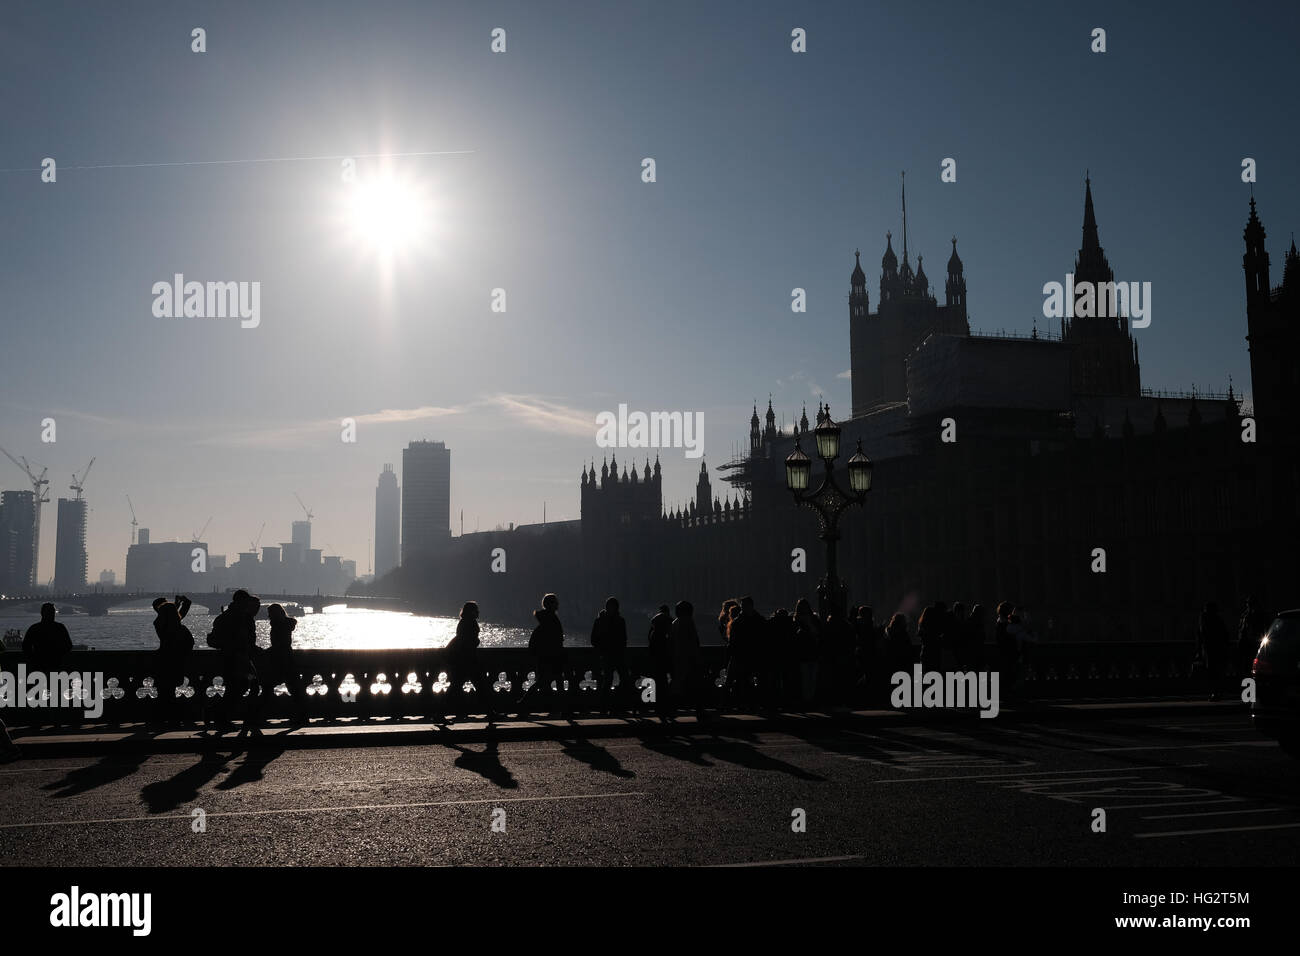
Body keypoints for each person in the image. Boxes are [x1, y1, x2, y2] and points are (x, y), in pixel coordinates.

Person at [208, 589, 263, 736]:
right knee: (247, 686)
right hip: (239, 660)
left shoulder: (225, 617)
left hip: (232, 659)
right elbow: (247, 641)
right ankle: (226, 717)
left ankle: (222, 717)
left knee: (238, 687)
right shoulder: (242, 618)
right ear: (241, 602)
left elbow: (214, 639)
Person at [517, 593, 567, 718]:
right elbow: (555, 640)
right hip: (552, 657)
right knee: (552, 683)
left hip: (546, 657)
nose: (558, 604)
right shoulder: (552, 619)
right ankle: (562, 709)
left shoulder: (546, 619)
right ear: (551, 604)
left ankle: (559, 708)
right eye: (555, 602)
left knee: (544, 683)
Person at [443, 601, 492, 724]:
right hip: (466, 661)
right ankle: (491, 713)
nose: (478, 612)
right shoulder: (470, 623)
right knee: (478, 687)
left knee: (457, 687)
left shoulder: (464, 622)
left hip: (462, 660)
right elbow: (468, 643)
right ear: (472, 611)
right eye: (476, 610)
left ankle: (491, 713)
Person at [262, 603, 309, 726]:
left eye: (270, 614)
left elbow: (279, 645)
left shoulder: (278, 625)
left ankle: (259, 715)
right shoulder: (286, 624)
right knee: (295, 689)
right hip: (288, 659)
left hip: (281, 660)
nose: (269, 617)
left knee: (268, 687)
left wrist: (267, 652)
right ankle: (302, 716)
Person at [152, 596, 194, 727]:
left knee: (163, 693)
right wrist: (181, 602)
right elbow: (189, 643)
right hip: (176, 663)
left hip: (163, 662)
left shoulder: (159, 625)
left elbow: (168, 616)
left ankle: (161, 719)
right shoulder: (181, 629)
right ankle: (173, 719)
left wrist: (175, 606)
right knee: (170, 693)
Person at [590, 597, 630, 715]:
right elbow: (624, 639)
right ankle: (612, 705)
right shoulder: (619, 620)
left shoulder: (600, 621)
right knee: (611, 680)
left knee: (611, 681)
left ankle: (608, 706)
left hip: (611, 655)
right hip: (611, 655)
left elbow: (593, 640)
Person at [670, 600, 707, 722]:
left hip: (679, 659)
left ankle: (673, 709)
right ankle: (699, 710)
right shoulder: (687, 622)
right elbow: (692, 643)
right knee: (696, 686)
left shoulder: (676, 623)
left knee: (678, 685)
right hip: (688, 659)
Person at [725, 596, 764, 709]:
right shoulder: (759, 619)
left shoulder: (738, 621)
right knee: (748, 680)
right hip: (750, 655)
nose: (742, 608)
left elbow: (733, 641)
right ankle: (751, 702)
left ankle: (742, 702)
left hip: (743, 655)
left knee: (741, 680)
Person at [23, 603, 72, 673]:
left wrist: (33, 658)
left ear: (42, 613)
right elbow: (68, 645)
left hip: (38, 665)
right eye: (51, 612)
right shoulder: (60, 628)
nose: (52, 614)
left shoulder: (34, 628)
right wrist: (58, 655)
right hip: (56, 665)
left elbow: (26, 647)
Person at [1196, 602, 1230, 701]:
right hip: (1214, 650)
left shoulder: (1204, 620)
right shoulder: (1217, 620)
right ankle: (1217, 692)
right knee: (1216, 673)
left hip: (1210, 650)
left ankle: (1215, 693)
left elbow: (1200, 636)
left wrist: (1199, 650)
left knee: (1213, 672)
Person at [646, 604, 674, 722]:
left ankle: (658, 707)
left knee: (657, 684)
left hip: (656, 661)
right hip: (665, 660)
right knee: (665, 684)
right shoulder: (666, 632)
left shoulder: (653, 632)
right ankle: (666, 707)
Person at [793, 598, 820, 707]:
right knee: (806, 679)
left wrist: (809, 624)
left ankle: (809, 699)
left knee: (811, 679)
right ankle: (807, 700)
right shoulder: (796, 620)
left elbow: (817, 633)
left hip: (811, 653)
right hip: (805, 654)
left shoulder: (812, 619)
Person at [1237, 597, 1272, 678]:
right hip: (1247, 643)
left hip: (1255, 642)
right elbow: (1242, 629)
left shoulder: (1259, 615)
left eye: (1250, 604)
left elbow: (1265, 628)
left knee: (1254, 662)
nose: (1248, 606)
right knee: (1247, 663)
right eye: (1248, 604)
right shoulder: (1246, 615)